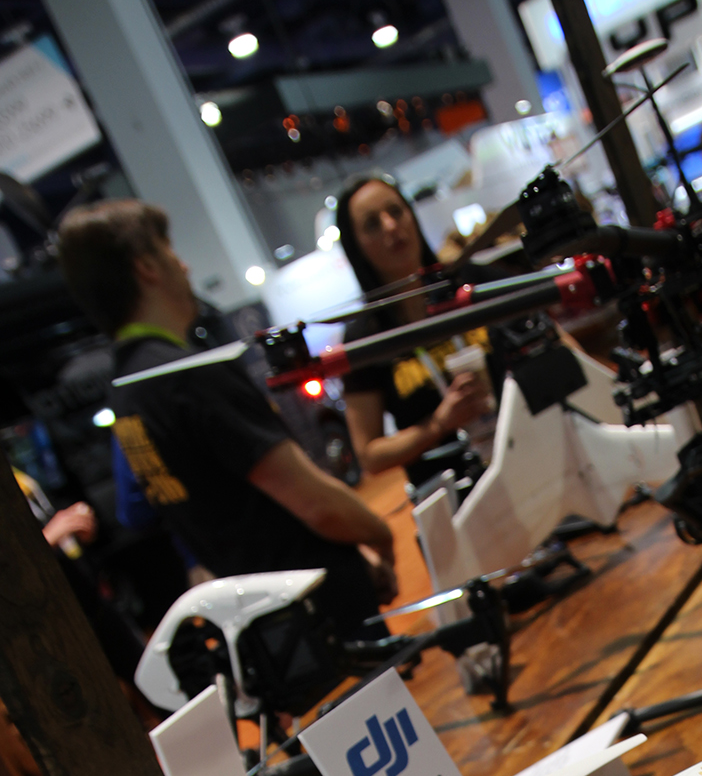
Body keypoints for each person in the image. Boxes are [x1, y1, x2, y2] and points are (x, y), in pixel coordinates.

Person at [56, 200, 397, 641]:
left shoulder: (127, 393)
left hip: (264, 624)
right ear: (147, 267)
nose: (184, 265)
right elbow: (317, 504)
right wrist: (380, 534)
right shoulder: (187, 375)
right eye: (169, 251)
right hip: (325, 612)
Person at [336, 174, 496, 481]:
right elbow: (369, 454)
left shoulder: (471, 283)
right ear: (356, 246)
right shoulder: (364, 336)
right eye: (372, 224)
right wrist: (438, 424)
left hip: (528, 454)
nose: (391, 226)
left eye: (396, 211)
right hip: (451, 491)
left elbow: (551, 334)